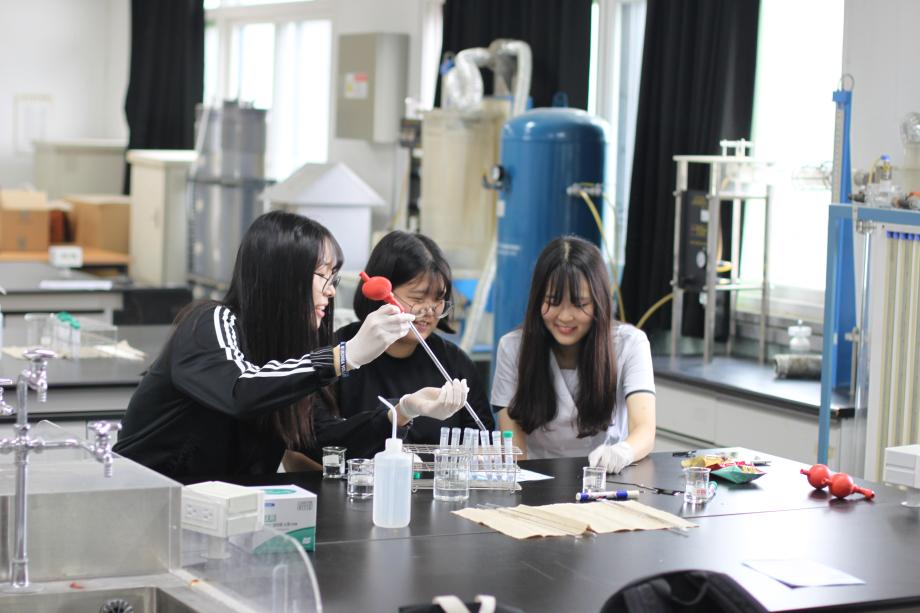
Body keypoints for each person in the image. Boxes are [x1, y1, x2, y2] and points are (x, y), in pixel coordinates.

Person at [114, 211, 467, 480]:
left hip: (228, 511)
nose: (331, 290)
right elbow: (241, 391)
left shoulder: (287, 358)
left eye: (334, 278)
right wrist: (343, 357)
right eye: (323, 275)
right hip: (151, 503)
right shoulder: (210, 322)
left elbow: (320, 440)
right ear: (283, 276)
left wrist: (402, 411)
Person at [290, 231, 493, 466]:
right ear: (380, 293)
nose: (428, 311)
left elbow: (484, 443)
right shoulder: (336, 357)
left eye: (438, 299)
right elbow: (301, 448)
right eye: (417, 298)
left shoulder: (454, 364)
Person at [491, 236, 655, 473]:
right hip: (536, 478)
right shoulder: (513, 347)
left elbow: (644, 430)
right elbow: (513, 446)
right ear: (537, 300)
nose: (565, 316)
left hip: (606, 476)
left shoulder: (630, 344)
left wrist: (622, 452)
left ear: (599, 301)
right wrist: (522, 481)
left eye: (580, 304)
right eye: (553, 302)